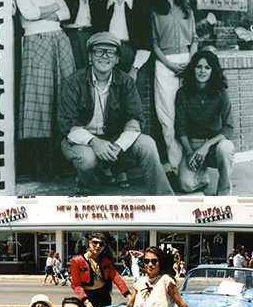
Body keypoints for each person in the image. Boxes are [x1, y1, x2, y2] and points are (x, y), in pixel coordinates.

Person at [58, 32, 174, 195]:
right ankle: (88, 186)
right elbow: (67, 124)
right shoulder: (74, 82)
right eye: (99, 51)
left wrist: (119, 146)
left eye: (110, 52)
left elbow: (135, 119)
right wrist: (94, 142)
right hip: (80, 142)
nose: (104, 57)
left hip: (113, 141)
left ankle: (165, 197)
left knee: (147, 143)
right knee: (87, 158)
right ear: (90, 56)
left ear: (117, 59)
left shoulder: (126, 82)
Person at [16, 0, 76, 181]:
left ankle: (55, 162)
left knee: (62, 100)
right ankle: (38, 165)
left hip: (60, 41)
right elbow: (28, 14)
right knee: (38, 103)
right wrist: (52, 9)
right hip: (36, 42)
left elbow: (67, 12)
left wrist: (41, 13)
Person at [151, 0, 198, 175]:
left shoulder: (187, 9)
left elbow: (194, 39)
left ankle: (193, 164)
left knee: (187, 114)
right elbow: (153, 43)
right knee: (168, 115)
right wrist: (169, 65)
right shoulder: (155, 9)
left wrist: (191, 63)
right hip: (165, 64)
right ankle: (176, 166)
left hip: (187, 63)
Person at [174, 51, 234, 195]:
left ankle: (224, 193)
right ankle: (202, 177)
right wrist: (189, 153)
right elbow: (180, 128)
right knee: (186, 184)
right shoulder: (182, 93)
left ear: (213, 70)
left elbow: (228, 127)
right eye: (198, 67)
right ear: (193, 68)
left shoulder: (221, 92)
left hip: (214, 145)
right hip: (193, 145)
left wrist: (207, 146)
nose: (202, 71)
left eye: (207, 67)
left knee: (226, 148)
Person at [90, 0, 152, 79]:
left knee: (133, 96)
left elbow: (146, 41)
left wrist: (134, 69)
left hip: (134, 59)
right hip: (108, 55)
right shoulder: (103, 5)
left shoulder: (140, 4)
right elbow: (96, 36)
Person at [69, 232, 131, 307]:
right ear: (90, 243)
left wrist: (129, 296)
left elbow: (116, 278)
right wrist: (86, 301)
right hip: (88, 298)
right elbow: (76, 285)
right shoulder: (77, 260)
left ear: (104, 246)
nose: (98, 246)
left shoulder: (106, 261)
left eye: (101, 244)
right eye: (95, 242)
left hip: (104, 296)